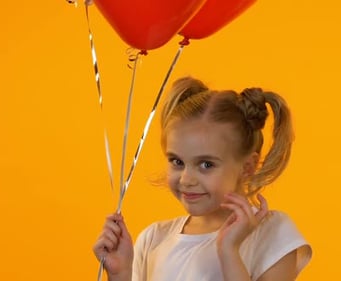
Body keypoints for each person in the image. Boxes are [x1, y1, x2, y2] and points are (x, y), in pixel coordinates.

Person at [93, 77, 312, 281]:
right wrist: (121, 274)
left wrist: (229, 251)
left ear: (247, 167)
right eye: (177, 161)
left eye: (206, 164)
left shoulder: (272, 235)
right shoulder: (153, 240)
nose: (186, 179)